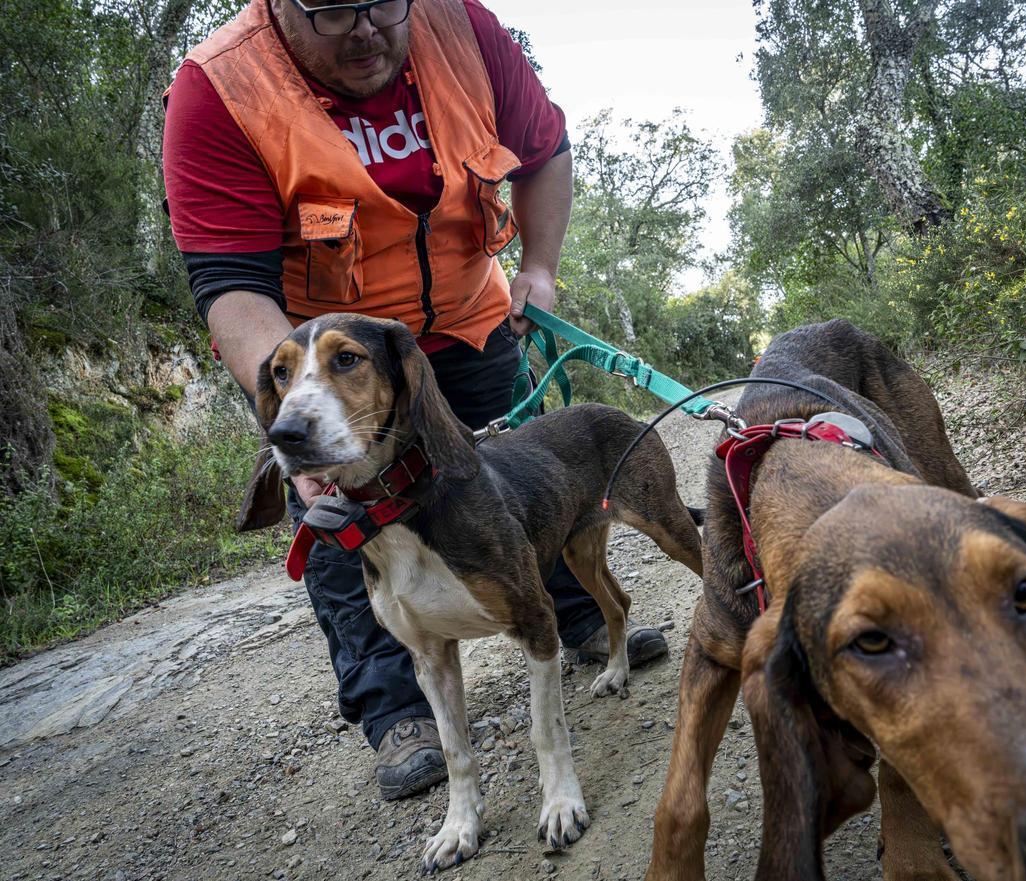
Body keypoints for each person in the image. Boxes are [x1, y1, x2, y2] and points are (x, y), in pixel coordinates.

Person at [162, 0, 669, 801]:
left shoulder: (464, 26)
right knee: (344, 524)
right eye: (331, 11)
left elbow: (544, 149)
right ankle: (397, 709)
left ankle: (570, 620)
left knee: (508, 488)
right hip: (336, 353)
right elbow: (229, 285)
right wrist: (306, 418)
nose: (365, 28)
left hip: (469, 325)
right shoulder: (221, 86)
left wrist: (538, 267)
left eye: (384, 3)